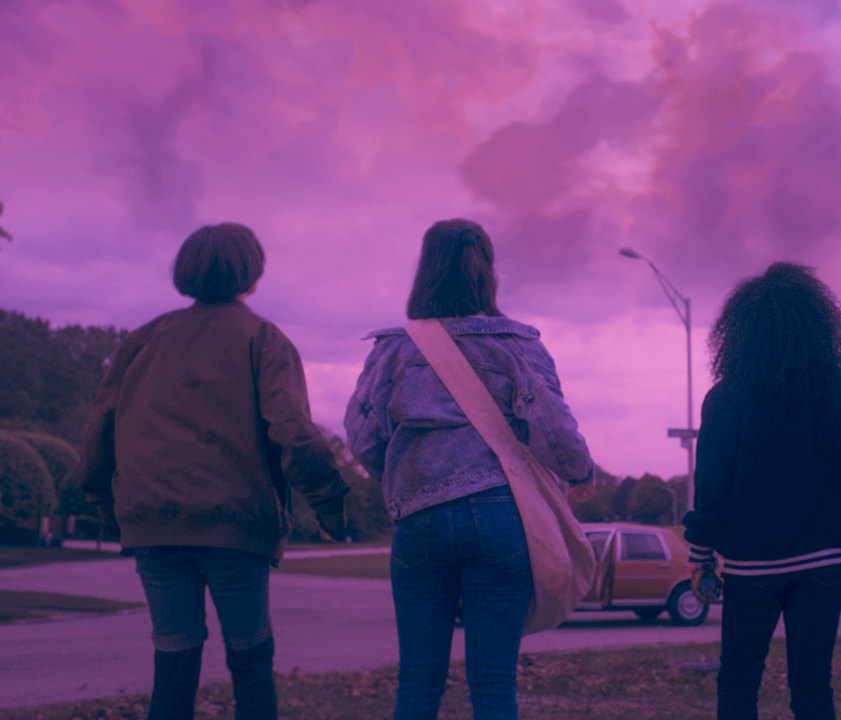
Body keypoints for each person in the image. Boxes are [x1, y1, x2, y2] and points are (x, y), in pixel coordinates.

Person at [76, 223, 350, 720]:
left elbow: (100, 431)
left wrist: (107, 506)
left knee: (174, 662)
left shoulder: (142, 341)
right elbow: (291, 429)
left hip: (153, 524)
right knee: (250, 660)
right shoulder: (264, 339)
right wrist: (331, 506)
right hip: (235, 526)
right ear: (253, 274)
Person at [344, 218, 596, 720]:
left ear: (426, 271)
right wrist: (582, 474)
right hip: (502, 517)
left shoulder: (392, 351)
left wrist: (401, 475)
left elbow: (363, 438)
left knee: (417, 680)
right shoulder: (517, 346)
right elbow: (557, 435)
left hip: (418, 517)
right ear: (487, 273)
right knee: (494, 682)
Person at [682, 262, 841, 720]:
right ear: (820, 324)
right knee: (812, 681)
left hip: (748, 565)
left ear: (738, 332)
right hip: (824, 562)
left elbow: (711, 484)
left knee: (738, 678)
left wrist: (700, 555)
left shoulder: (725, 398)